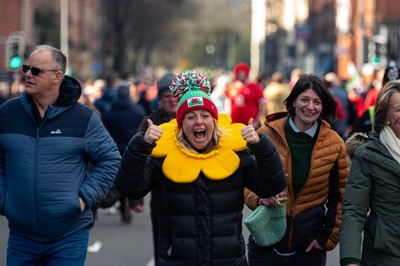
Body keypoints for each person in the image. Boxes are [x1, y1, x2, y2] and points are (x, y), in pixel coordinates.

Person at [115, 70, 287, 265]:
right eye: (190, 117)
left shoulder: (235, 154)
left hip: (228, 261)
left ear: (214, 122)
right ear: (180, 125)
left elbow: (271, 187)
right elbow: (129, 187)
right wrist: (140, 146)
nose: (198, 121)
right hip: (178, 260)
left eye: (205, 115)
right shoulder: (162, 158)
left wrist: (262, 147)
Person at [0, 45, 121, 265]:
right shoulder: (7, 114)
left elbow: (110, 159)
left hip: (68, 236)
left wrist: (83, 199)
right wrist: (4, 200)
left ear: (57, 77)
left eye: (36, 71)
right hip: (21, 236)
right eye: (27, 68)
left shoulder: (84, 118)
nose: (27, 74)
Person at [244, 74, 349, 266]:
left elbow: (341, 196)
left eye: (317, 102)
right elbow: (245, 181)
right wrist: (258, 199)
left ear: (323, 107)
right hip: (264, 248)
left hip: (309, 251)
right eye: (304, 99)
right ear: (293, 101)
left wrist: (327, 238)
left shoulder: (335, 144)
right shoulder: (266, 135)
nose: (310, 107)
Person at [340, 81, 400, 266]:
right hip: (384, 256)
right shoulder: (367, 155)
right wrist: (350, 259)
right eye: (399, 109)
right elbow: (354, 210)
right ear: (386, 118)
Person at [137, 71, 177, 262]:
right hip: (160, 192)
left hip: (190, 189)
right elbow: (136, 158)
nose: (171, 100)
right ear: (159, 100)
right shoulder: (149, 122)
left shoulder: (193, 120)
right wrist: (135, 198)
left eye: (174, 96)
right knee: (161, 243)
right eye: (166, 96)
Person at [101, 84, 147, 223]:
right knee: (132, 176)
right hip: (132, 148)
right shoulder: (138, 110)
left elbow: (105, 132)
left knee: (119, 178)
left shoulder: (109, 112)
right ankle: (130, 202)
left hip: (115, 148)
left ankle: (122, 203)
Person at [225, 62, 266, 129]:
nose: (241, 75)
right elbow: (228, 105)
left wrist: (257, 121)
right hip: (235, 126)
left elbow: (263, 105)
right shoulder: (231, 87)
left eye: (243, 72)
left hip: (251, 126)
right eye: (239, 73)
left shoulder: (255, 87)